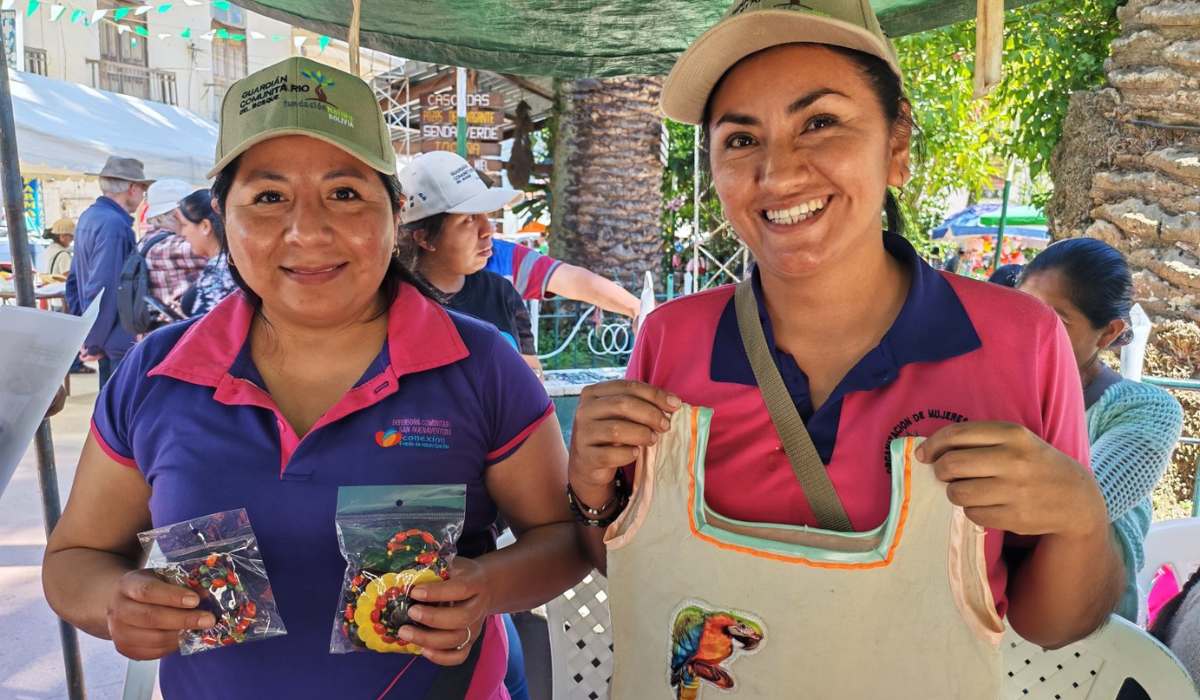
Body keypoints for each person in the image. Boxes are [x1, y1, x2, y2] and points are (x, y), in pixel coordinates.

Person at [567, 2, 1123, 695]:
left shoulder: (1019, 341)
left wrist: (1079, 516)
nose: (777, 172)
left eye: (820, 123)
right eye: (741, 140)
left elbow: (1054, 624)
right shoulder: (672, 339)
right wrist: (590, 490)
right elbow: (633, 565)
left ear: (896, 147)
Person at [42, 57, 587, 700]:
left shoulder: (480, 364)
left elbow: (562, 539)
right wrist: (116, 601)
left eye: (346, 193)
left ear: (395, 211)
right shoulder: (158, 373)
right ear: (223, 214)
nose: (308, 231)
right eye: (269, 197)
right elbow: (74, 560)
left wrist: (484, 588)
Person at [1017, 238, 1183, 621]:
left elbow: (1078, 505)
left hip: (1089, 640)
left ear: (1108, 334)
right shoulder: (1004, 390)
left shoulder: (1145, 410)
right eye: (1022, 310)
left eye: (1056, 321)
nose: (1030, 331)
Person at [398, 152, 541, 372]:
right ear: (425, 237)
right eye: (468, 219)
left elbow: (532, 374)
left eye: (486, 215)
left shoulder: (500, 292)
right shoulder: (396, 307)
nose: (488, 230)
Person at [68, 156, 152, 388]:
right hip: (114, 338)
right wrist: (93, 341)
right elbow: (106, 286)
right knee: (119, 414)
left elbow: (74, 280)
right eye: (143, 189)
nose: (143, 195)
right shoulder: (115, 225)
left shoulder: (89, 217)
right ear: (132, 188)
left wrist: (84, 332)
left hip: (101, 333)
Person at [486, 236, 641, 320]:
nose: (487, 229)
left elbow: (575, 280)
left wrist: (638, 309)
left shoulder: (502, 255)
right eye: (468, 218)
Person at [143, 179, 206, 320]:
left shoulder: (149, 239)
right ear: (177, 213)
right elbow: (220, 253)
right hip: (178, 333)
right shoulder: (169, 247)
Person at [176, 189, 236, 317]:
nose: (182, 233)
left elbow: (208, 332)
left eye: (184, 225)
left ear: (205, 226)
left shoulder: (217, 272)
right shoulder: (233, 262)